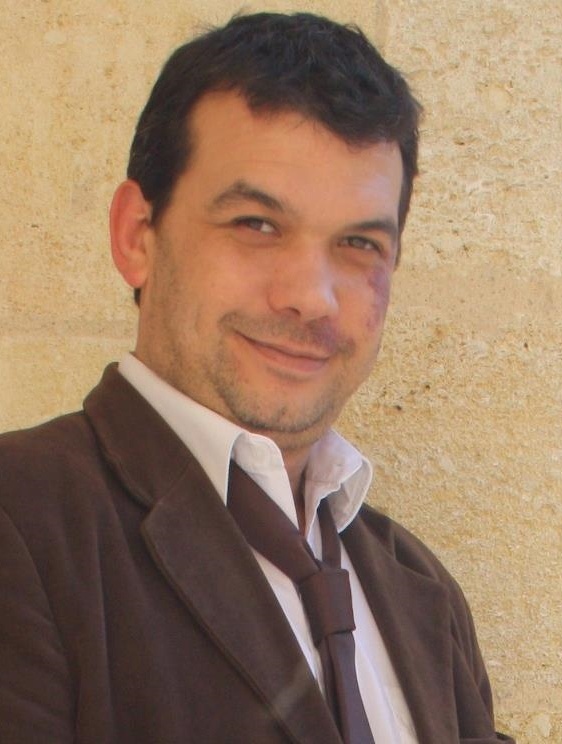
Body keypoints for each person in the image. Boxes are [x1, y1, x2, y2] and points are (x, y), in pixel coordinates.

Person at [0, 12, 515, 744]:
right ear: (136, 236)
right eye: (257, 225)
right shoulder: (22, 524)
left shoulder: (420, 589)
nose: (311, 296)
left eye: (358, 243)